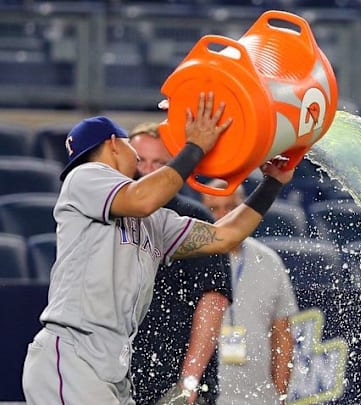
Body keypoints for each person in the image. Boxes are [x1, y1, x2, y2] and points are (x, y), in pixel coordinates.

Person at [22, 92, 295, 405]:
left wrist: (272, 183)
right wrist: (195, 146)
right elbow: (142, 198)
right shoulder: (84, 177)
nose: (138, 158)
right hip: (73, 354)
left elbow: (226, 236)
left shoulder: (155, 220)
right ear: (113, 144)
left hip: (112, 365)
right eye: (130, 145)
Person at [128, 122, 232, 405]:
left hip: (175, 381)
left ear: (175, 165)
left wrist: (188, 382)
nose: (147, 170)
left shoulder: (193, 217)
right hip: (118, 377)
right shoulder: (114, 215)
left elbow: (213, 301)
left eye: (159, 162)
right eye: (140, 161)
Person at [200, 179, 299, 405]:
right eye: (213, 209)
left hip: (258, 396)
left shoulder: (269, 261)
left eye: (231, 207)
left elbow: (283, 335)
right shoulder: (190, 259)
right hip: (203, 394)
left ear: (245, 208)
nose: (223, 216)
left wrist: (280, 396)